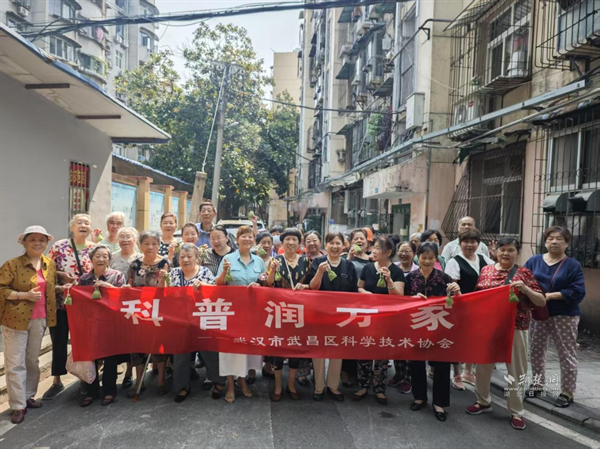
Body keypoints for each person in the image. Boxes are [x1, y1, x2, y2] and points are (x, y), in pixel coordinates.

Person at [466, 237, 546, 430]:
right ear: (495, 251)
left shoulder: (524, 273)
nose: (506, 253)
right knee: (483, 366)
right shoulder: (486, 271)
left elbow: (541, 301)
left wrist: (525, 289)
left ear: (517, 253)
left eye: (511, 250)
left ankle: (516, 411)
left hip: (516, 327)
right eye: (502, 249)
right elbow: (477, 297)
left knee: (516, 370)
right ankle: (483, 401)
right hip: (488, 328)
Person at [0, 226, 57, 424]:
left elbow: (48, 288)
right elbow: (1, 289)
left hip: (40, 319)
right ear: (23, 242)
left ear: (46, 243)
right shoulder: (12, 265)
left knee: (32, 361)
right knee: (15, 363)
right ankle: (18, 405)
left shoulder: (49, 264)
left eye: (41, 240)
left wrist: (63, 283)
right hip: (15, 320)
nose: (37, 243)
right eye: (32, 239)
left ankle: (28, 396)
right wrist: (23, 295)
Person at [525, 226, 586, 408]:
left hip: (564, 315)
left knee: (566, 353)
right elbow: (523, 280)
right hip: (538, 313)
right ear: (545, 242)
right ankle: (537, 384)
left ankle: (567, 391)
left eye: (559, 238)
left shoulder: (573, 265)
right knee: (536, 351)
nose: (554, 242)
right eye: (550, 238)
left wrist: (551, 296)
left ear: (566, 243)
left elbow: (578, 291)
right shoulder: (534, 261)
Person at [405, 242, 460, 422]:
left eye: (431, 258)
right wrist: (412, 299)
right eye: (424, 257)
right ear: (417, 258)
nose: (427, 261)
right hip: (417, 326)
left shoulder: (444, 278)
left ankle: (439, 403)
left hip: (439, 327)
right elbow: (402, 301)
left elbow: (456, 302)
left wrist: (457, 291)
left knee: (441, 365)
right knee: (416, 363)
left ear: (436, 259)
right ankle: (419, 397)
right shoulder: (410, 278)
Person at [42, 214, 95, 401]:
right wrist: (61, 275)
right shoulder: (60, 246)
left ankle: (84, 379)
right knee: (59, 340)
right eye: (79, 223)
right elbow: (46, 268)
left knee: (82, 342)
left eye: (87, 223)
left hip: (85, 306)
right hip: (61, 302)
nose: (83, 225)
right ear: (72, 227)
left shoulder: (94, 248)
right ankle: (56, 380)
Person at [306, 232, 358, 403]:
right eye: (331, 243)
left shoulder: (348, 266)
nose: (335, 247)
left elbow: (353, 293)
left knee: (337, 351)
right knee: (319, 351)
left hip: (341, 317)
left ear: (344, 245)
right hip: (319, 314)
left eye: (338, 243)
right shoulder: (317, 262)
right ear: (325, 245)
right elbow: (313, 287)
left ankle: (333, 386)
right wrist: (320, 273)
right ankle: (319, 387)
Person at [215, 226, 265, 403]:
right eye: (243, 236)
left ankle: (242, 380)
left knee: (245, 348)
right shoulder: (228, 259)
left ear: (254, 240)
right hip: (231, 311)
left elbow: (265, 283)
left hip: (252, 312)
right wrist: (224, 271)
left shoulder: (259, 261)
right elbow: (218, 284)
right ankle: (230, 384)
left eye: (250, 236)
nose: (247, 239)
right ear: (237, 240)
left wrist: (259, 286)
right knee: (229, 348)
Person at [161, 244, 216, 403]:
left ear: (197, 258)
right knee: (180, 354)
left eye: (189, 256)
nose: (185, 259)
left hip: (202, 319)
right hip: (180, 321)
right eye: (182, 257)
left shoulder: (205, 272)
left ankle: (218, 381)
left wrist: (203, 287)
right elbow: (162, 293)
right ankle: (182, 386)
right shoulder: (173, 273)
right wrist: (162, 279)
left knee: (210, 352)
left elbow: (215, 292)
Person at [355, 236, 405, 405]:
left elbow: (399, 295)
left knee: (382, 355)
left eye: (378, 248)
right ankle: (363, 385)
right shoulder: (368, 268)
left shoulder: (396, 271)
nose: (374, 251)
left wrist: (389, 280)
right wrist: (367, 294)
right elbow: (359, 287)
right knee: (364, 351)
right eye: (374, 247)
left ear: (388, 252)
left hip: (386, 319)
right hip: (367, 317)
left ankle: (379, 388)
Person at [444, 229, 494, 390]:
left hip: (482, 308)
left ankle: (468, 371)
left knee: (474, 340)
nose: (469, 245)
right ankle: (457, 374)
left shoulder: (484, 259)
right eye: (466, 241)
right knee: (458, 341)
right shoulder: (454, 262)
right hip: (461, 308)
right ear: (460, 243)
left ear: (478, 244)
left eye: (473, 242)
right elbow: (451, 285)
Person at [77, 245, 127, 407]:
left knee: (110, 358)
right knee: (91, 357)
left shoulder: (117, 276)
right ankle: (91, 391)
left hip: (110, 323)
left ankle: (109, 391)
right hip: (90, 323)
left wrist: (110, 288)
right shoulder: (84, 278)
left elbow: (124, 298)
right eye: (97, 256)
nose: (101, 259)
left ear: (109, 259)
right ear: (91, 259)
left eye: (105, 256)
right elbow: (79, 300)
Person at [265, 228, 309, 402]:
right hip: (279, 310)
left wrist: (305, 287)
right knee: (277, 349)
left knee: (295, 347)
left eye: (294, 239)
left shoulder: (306, 261)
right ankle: (278, 386)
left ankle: (291, 385)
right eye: (287, 239)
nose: (291, 242)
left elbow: (312, 285)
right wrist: (273, 271)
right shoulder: (275, 260)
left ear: (299, 243)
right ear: (282, 243)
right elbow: (268, 284)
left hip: (300, 311)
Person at [127, 230, 171, 397]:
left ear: (159, 245)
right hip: (138, 310)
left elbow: (170, 288)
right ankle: (139, 381)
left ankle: (161, 381)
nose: (150, 247)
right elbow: (129, 283)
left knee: (159, 345)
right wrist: (127, 288)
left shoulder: (165, 263)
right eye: (146, 243)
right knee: (138, 345)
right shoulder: (135, 264)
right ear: (140, 246)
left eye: (154, 244)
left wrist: (164, 279)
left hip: (159, 309)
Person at [197, 225, 233, 394]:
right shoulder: (205, 255)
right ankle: (212, 376)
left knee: (228, 342)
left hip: (232, 305)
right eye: (212, 238)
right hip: (210, 304)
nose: (216, 241)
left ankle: (232, 376)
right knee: (210, 342)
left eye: (219, 237)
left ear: (227, 238)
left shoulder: (235, 255)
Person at [108, 226, 139, 389]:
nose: (125, 240)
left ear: (135, 239)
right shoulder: (112, 257)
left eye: (128, 237)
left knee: (132, 339)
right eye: (122, 237)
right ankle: (112, 372)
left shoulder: (140, 258)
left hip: (134, 304)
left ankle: (129, 373)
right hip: (113, 304)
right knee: (116, 338)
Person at [341, 228, 372, 387]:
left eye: (362, 239)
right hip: (350, 305)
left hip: (368, 305)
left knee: (364, 339)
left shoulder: (373, 259)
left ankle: (362, 373)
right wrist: (349, 259)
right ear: (350, 242)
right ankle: (345, 371)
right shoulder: (344, 259)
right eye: (356, 239)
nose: (359, 241)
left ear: (367, 243)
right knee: (349, 339)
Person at [389, 241, 418, 392]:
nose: (404, 254)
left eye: (407, 251)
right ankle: (399, 373)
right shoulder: (392, 268)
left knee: (409, 347)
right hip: (395, 313)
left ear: (414, 253)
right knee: (397, 344)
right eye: (401, 251)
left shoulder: (418, 270)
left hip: (413, 315)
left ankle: (408, 378)